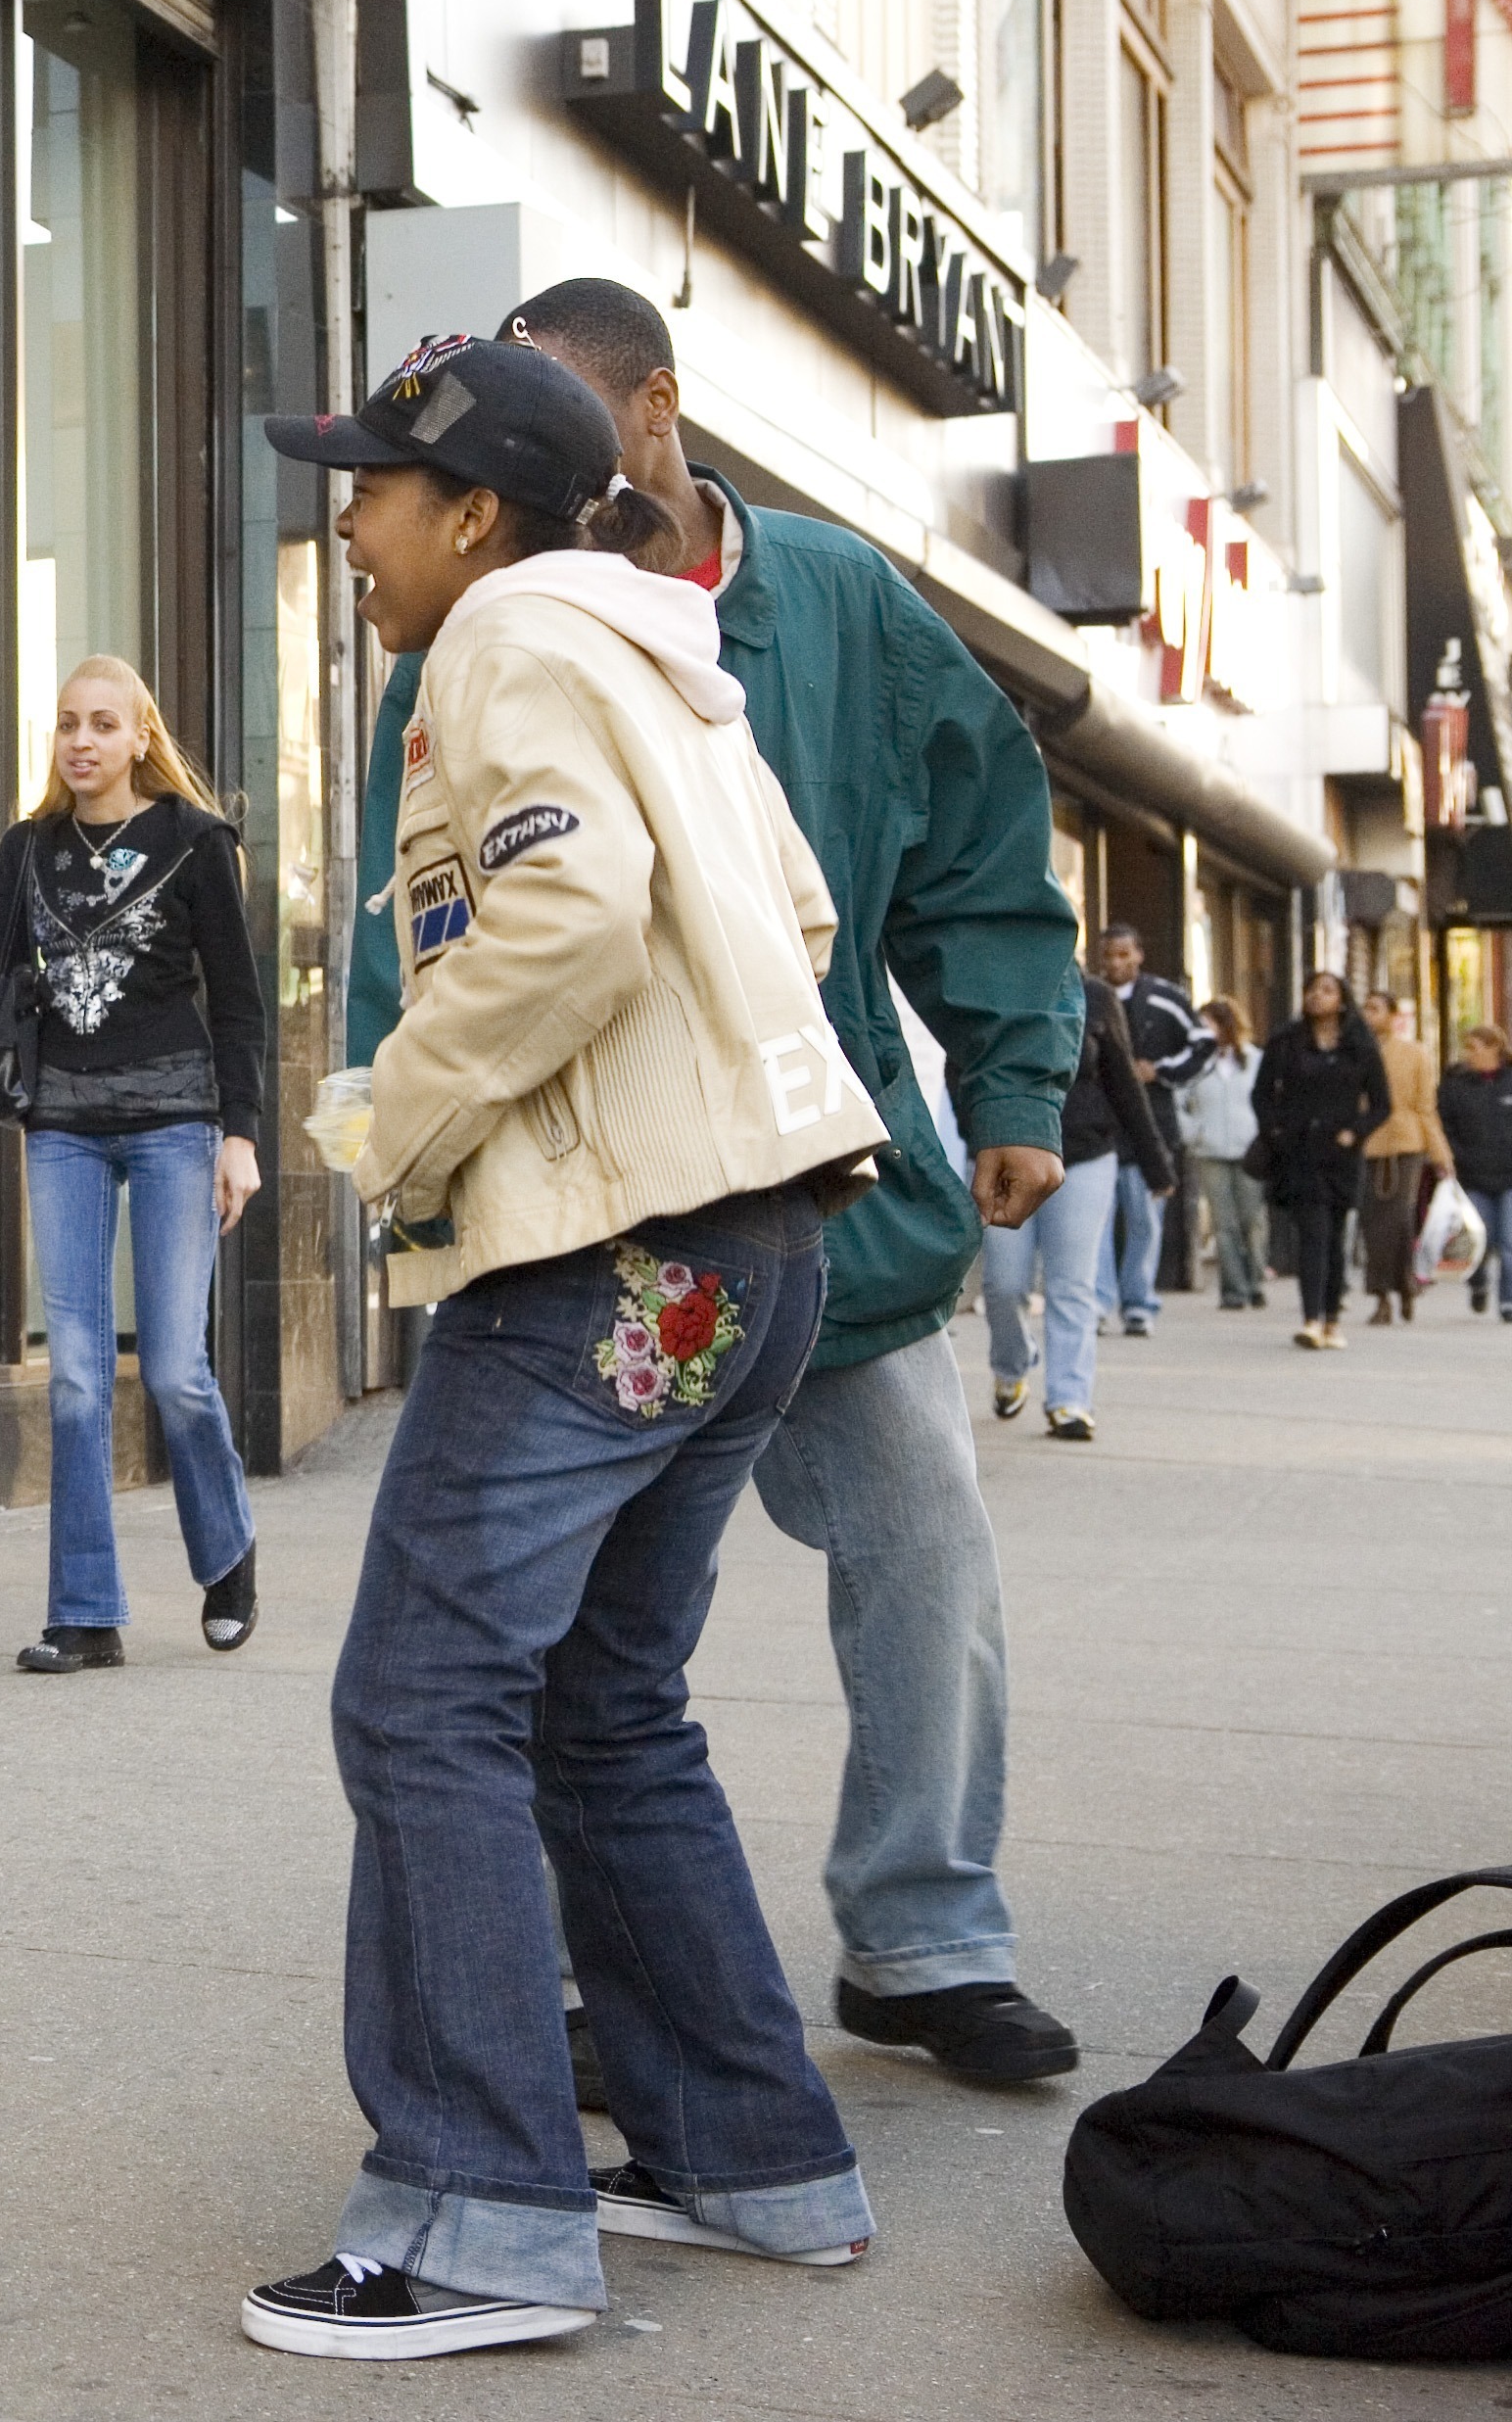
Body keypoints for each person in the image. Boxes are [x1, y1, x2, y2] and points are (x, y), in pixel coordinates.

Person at [352, 278, 1089, 2090]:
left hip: (828, 1203)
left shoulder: (828, 598)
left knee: (918, 1556)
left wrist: (1006, 1074)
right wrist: (415, 1165)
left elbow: (969, 838)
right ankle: (590, 1990)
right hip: (587, 1224)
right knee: (566, 1646)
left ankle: (923, 1930)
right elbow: (419, 929)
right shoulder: (466, 642)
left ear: (656, 414)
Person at [239, 335, 891, 2362]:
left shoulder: (503, 641)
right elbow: (785, 917)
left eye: (373, 489)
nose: (347, 522)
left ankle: (478, 2214)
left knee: (424, 1703)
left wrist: (392, 1118)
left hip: (606, 1258)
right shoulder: (669, 654)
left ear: (478, 511)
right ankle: (755, 2157)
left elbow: (572, 917)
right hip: (756, 1245)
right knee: (608, 1708)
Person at [0, 654, 264, 1673]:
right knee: (78, 1380)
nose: (82, 739)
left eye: (104, 722)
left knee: (180, 1372)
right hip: (61, 1125)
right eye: (67, 723)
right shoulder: (26, 850)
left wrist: (242, 1132)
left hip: (176, 1120)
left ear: (141, 735)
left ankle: (226, 1548)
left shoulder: (194, 842)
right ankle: (85, 1611)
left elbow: (236, 1000)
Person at [974, 971, 1170, 1441]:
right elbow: (961, 1070)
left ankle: (1069, 1401)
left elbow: (1124, 1082)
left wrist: (1155, 1165)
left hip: (1085, 1157)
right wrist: (975, 1138)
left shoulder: (1095, 997)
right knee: (1004, 1283)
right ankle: (1012, 1363)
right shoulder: (988, 985)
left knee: (1072, 1286)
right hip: (1006, 1154)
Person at [1252, 973, 1389, 1352]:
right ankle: (1311, 1320)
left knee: (1335, 1238)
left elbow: (1382, 1104)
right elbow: (1261, 1093)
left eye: (1327, 990)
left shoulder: (1360, 1044)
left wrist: (1355, 1132)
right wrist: (1275, 1133)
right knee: (1312, 1236)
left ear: (1342, 1000)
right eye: (1311, 989)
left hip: (1342, 1155)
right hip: (1299, 1153)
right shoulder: (1286, 1040)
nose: (1317, 997)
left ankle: (1332, 1320)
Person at [1095, 925, 1213, 1334]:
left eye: (1124, 955)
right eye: (1109, 955)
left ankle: (1139, 1304)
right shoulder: (1091, 998)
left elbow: (1205, 1045)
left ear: (1139, 955)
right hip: (1100, 1130)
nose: (1116, 963)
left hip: (1151, 1129)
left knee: (1145, 1221)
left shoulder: (1166, 998)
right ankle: (1097, 1303)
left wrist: (1160, 1071)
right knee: (1097, 1222)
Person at [1360, 991, 1447, 1324]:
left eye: (1375, 1008)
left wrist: (1440, 1153)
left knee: (1398, 1220)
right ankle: (1383, 1294)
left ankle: (1404, 1287)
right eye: (1365, 1008)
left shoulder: (1414, 1054)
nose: (1369, 1015)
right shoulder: (1357, 1053)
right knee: (1372, 1222)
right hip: (1366, 1144)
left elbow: (1427, 1106)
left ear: (1393, 1015)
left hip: (1407, 1144)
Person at [1183, 997, 1267, 1312]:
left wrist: (1265, 1135)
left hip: (1250, 1150)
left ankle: (1256, 1281)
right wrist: (1194, 1131)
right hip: (1211, 1150)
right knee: (1224, 1224)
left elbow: (1270, 1099)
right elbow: (1179, 1102)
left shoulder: (1256, 1060)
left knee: (1252, 1220)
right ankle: (1234, 1291)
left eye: (1210, 1025)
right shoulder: (1196, 1064)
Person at [1442, 1023, 1512, 1318]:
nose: (1469, 1054)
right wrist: (1456, 1157)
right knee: (1478, 1243)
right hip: (1472, 1176)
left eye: (1475, 1047)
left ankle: (1508, 1300)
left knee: (1509, 1242)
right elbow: (1444, 1125)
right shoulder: (1456, 1083)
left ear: (1494, 1048)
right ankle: (1478, 1282)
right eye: (1467, 1048)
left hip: (1509, 1175)